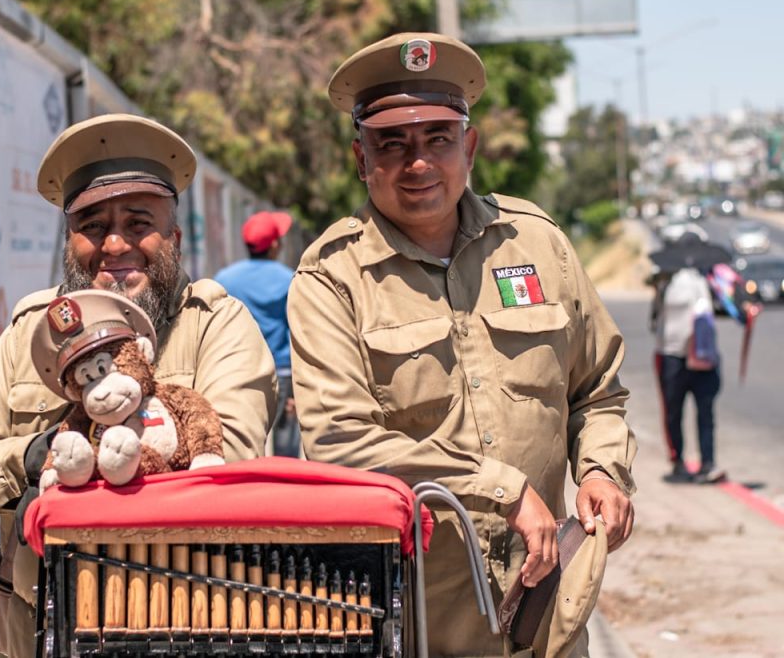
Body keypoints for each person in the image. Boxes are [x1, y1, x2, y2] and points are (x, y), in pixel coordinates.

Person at [287, 32, 637, 656]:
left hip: (549, 610)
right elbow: (340, 437)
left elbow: (597, 388)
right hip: (416, 620)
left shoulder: (538, 245)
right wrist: (500, 488)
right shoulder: (330, 279)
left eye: (438, 139)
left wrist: (602, 468)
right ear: (360, 161)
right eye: (391, 144)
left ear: (469, 147)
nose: (418, 163)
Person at [0, 114, 277, 658]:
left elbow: (228, 460)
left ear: (174, 237)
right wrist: (37, 456)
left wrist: (95, 462)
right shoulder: (32, 329)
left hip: (185, 629)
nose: (115, 244)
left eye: (139, 222)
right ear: (69, 241)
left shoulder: (218, 323)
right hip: (39, 630)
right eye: (92, 226)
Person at [215, 210, 300, 457]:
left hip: (241, 368)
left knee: (244, 441)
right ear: (274, 245)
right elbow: (297, 330)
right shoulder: (289, 279)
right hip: (282, 371)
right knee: (286, 443)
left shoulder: (225, 278)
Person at [651, 264, 726, 483]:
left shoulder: (709, 280)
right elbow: (655, 319)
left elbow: (725, 308)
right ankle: (678, 462)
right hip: (672, 356)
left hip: (702, 357)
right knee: (674, 413)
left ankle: (708, 463)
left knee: (705, 412)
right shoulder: (665, 281)